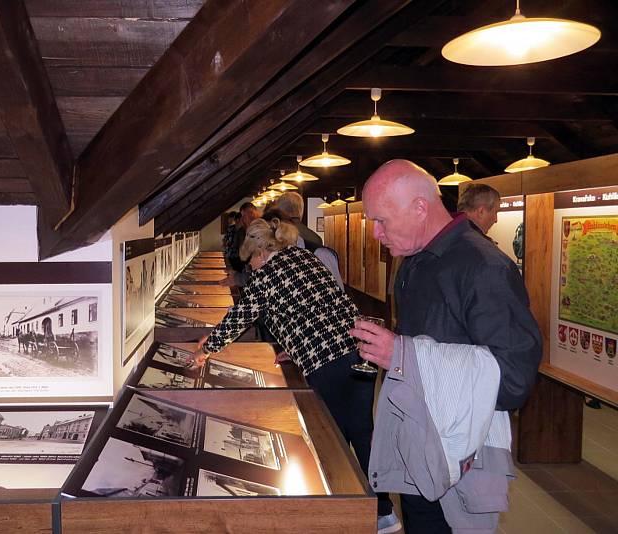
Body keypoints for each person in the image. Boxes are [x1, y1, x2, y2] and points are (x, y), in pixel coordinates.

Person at [351, 160, 542, 533]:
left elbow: (515, 380)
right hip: (417, 448)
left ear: (420, 208)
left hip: (460, 460)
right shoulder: (413, 263)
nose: (375, 234)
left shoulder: (484, 267)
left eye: (381, 220)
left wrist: (404, 354)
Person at [194, 217, 399, 533]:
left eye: (251, 263)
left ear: (259, 254)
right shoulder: (303, 257)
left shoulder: (265, 277)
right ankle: (383, 509)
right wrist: (295, 344)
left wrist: (207, 347)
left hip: (325, 363)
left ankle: (347, 512)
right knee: (363, 429)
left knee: (334, 437)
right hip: (359, 350)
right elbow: (318, 305)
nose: (252, 270)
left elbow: (241, 316)